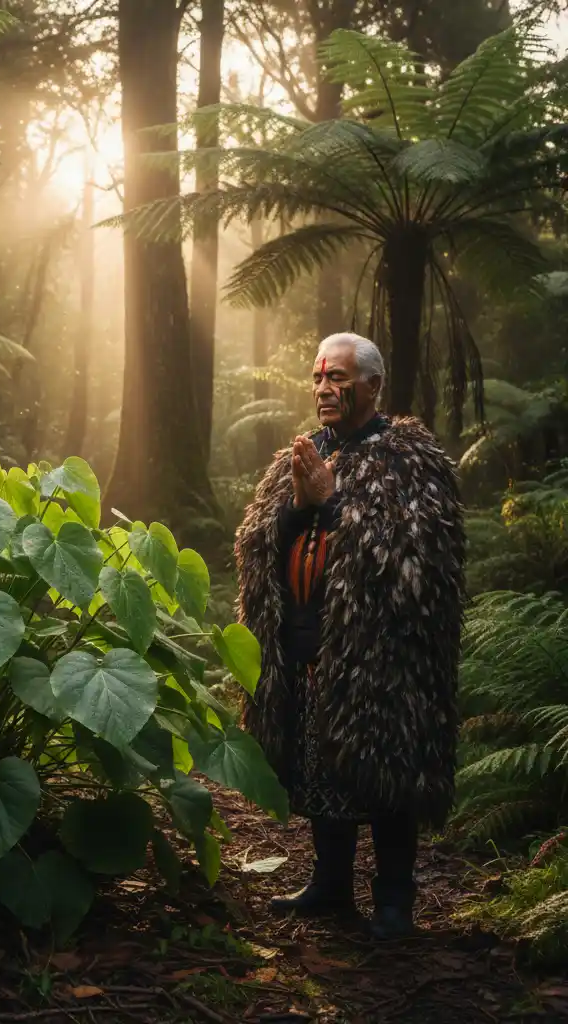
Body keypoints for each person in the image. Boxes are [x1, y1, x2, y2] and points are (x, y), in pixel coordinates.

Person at [234, 332, 465, 940]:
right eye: (317, 379)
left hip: (381, 658)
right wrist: (295, 508)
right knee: (316, 764)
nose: (324, 389)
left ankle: (394, 900)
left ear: (373, 385)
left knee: (385, 771)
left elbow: (422, 560)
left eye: (337, 378)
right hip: (307, 645)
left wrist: (335, 504)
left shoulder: (410, 458)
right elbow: (256, 542)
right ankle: (331, 883)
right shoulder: (304, 452)